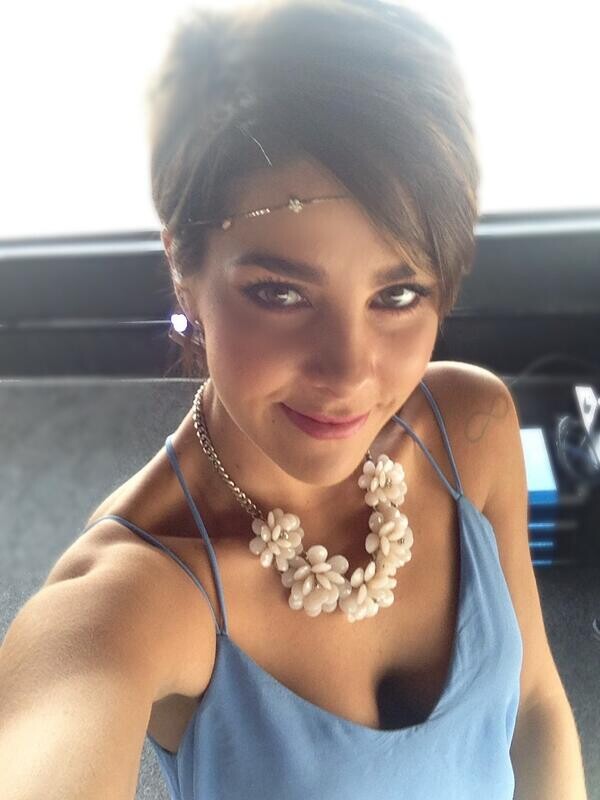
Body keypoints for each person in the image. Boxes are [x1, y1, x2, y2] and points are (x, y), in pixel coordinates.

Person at [1, 2, 581, 799]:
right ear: (184, 270)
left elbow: (536, 706)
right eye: (280, 292)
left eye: (398, 293)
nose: (350, 374)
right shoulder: (134, 593)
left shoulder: (472, 428)